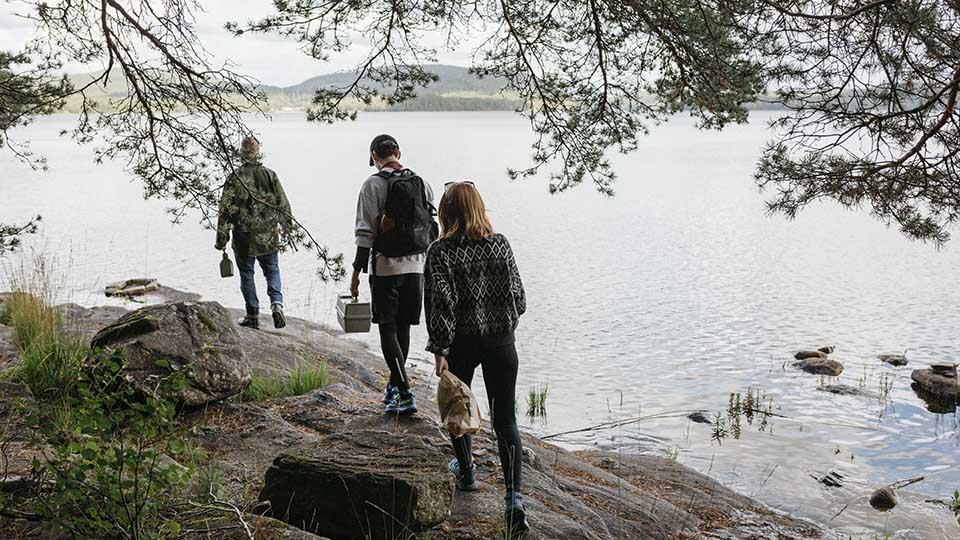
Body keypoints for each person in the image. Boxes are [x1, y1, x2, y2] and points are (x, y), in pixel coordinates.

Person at [424, 182, 529, 537]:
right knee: (506, 420)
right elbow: (520, 297)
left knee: (457, 408)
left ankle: (467, 471)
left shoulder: (441, 251)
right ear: (479, 208)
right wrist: (504, 324)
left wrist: (439, 348)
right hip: (501, 343)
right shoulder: (500, 245)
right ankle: (514, 498)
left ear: (445, 212)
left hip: (462, 344)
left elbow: (442, 305)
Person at [352, 134, 436, 415]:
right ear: (398, 152)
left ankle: (404, 390)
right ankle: (394, 386)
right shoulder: (422, 183)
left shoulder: (372, 184)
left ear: (374, 156)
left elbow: (365, 232)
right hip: (417, 266)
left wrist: (356, 272)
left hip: (386, 266)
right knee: (404, 327)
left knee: (387, 328)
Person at [215, 135, 293, 330]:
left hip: (244, 238)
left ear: (241, 153)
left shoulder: (234, 177)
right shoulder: (270, 175)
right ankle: (276, 304)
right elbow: (283, 204)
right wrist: (287, 229)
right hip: (268, 237)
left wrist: (221, 239)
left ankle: (252, 315)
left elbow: (225, 211)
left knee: (247, 275)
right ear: (258, 153)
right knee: (272, 271)